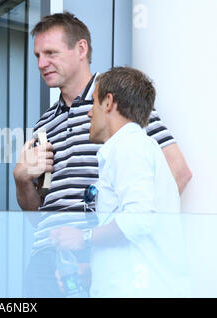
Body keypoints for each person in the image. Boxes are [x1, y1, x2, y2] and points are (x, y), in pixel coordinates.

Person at [13, 11, 192, 297]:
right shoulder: (44, 123)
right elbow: (38, 212)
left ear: (80, 49)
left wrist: (110, 242)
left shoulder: (118, 106)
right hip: (46, 253)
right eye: (37, 55)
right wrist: (21, 179)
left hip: (95, 254)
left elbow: (176, 175)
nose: (41, 63)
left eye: (50, 53)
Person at [50, 67, 190, 297]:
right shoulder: (134, 148)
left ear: (108, 103)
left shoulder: (130, 147)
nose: (88, 114)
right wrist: (92, 272)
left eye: (93, 104)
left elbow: (138, 219)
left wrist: (82, 237)